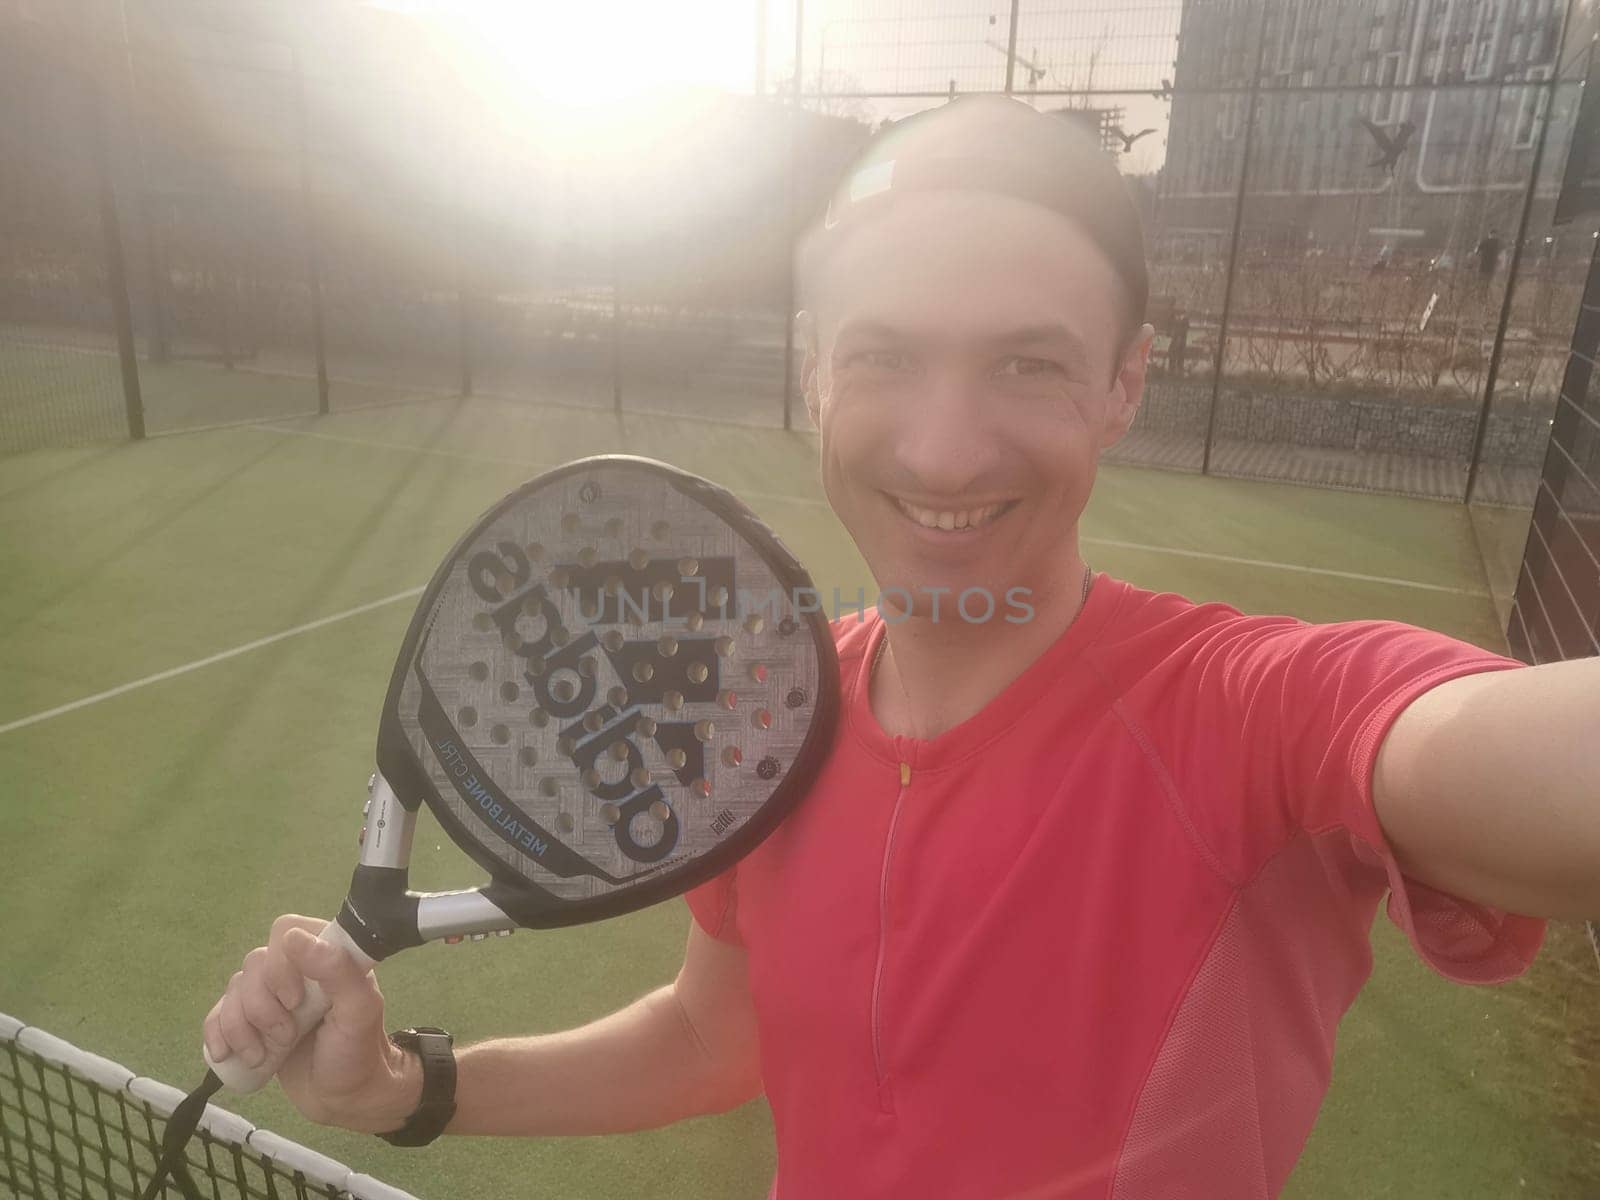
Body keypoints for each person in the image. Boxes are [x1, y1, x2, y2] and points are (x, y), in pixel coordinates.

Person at [205, 98, 1599, 1198]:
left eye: (1029, 363)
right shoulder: (761, 718)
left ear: (1127, 381)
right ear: (815, 374)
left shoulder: (1252, 715)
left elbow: (1488, 753)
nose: (942, 447)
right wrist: (405, 1086)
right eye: (882, 357)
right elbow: (718, 1031)